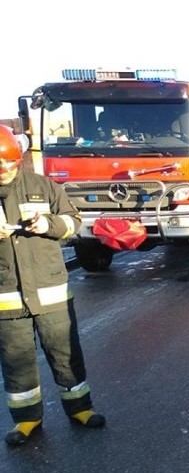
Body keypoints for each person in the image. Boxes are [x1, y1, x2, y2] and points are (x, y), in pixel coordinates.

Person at [0, 125, 105, 446]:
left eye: (9, 164)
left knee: (66, 355)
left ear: (18, 160)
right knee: (16, 361)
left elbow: (74, 223)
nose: (3, 171)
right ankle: (27, 419)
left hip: (51, 293)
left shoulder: (43, 187)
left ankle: (80, 409)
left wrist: (47, 224)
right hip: (7, 297)